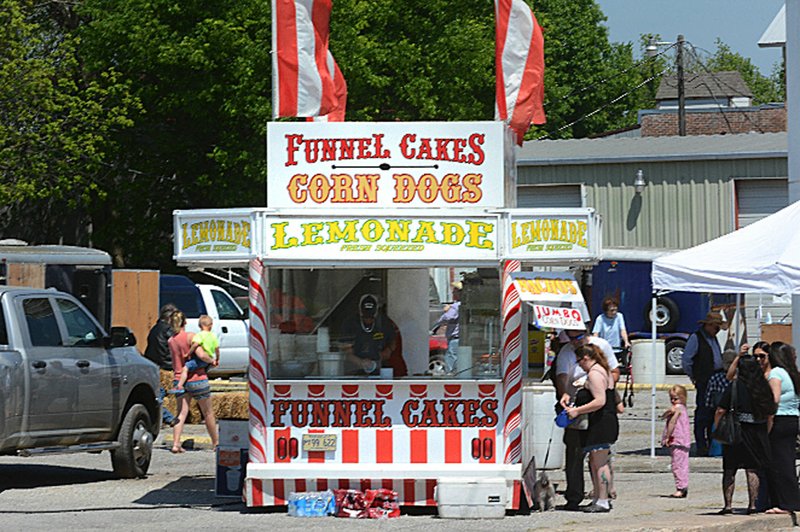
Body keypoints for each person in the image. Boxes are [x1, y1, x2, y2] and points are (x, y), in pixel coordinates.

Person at [555, 327, 620, 511]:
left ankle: (602, 500)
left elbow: (600, 400)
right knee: (597, 461)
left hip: (601, 422)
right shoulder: (601, 370)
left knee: (599, 462)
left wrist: (578, 411)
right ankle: (600, 498)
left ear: (586, 359)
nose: (579, 366)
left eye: (579, 362)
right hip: (603, 421)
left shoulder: (594, 373)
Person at [714, 355, 776, 515]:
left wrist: (718, 426)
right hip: (757, 431)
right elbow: (770, 413)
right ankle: (753, 505)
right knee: (752, 469)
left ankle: (728, 505)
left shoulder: (735, 386)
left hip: (736, 431)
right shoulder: (763, 387)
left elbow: (721, 409)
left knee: (729, 469)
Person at [168, 310, 219, 454]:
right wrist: (213, 361)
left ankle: (176, 444)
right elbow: (201, 355)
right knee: (208, 412)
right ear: (185, 322)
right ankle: (215, 443)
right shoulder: (191, 336)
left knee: (181, 413)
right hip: (197, 378)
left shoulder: (171, 341)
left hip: (179, 379)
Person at [682, 311, 726, 457]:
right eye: (715, 326)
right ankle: (701, 445)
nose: (717, 330)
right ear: (708, 325)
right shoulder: (696, 338)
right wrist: (695, 377)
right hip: (704, 380)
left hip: (716, 378)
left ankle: (712, 443)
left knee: (714, 412)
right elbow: (687, 361)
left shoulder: (713, 338)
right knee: (703, 414)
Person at [765, 341, 800, 515]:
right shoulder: (791, 373)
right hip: (793, 419)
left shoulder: (776, 373)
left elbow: (774, 399)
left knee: (779, 463)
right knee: (788, 461)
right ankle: (792, 500)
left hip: (779, 420)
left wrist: (767, 422)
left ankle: (784, 503)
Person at [342, 294, 395, 376]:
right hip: (353, 369)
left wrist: (386, 352)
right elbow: (345, 350)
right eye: (365, 317)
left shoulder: (384, 323)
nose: (368, 320)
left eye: (371, 317)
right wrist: (360, 362)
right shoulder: (350, 323)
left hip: (379, 367)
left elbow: (393, 342)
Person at [144, 303, 178, 428]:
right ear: (170, 318)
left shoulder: (154, 328)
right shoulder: (168, 330)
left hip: (154, 364)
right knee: (159, 397)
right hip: (165, 366)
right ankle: (169, 418)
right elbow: (172, 350)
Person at [173, 314, 219, 392]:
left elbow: (195, 345)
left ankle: (179, 385)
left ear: (199, 326)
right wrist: (216, 359)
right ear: (211, 325)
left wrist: (188, 353)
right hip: (209, 358)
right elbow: (217, 349)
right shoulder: (213, 336)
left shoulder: (199, 335)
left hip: (200, 359)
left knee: (185, 368)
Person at [661, 385, 690, 498]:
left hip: (677, 440)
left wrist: (667, 436)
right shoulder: (682, 408)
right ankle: (683, 486)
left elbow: (672, 423)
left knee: (677, 465)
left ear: (683, 398)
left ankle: (681, 488)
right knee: (683, 464)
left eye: (676, 398)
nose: (673, 401)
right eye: (671, 398)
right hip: (684, 440)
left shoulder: (677, 409)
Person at [432, 281, 461, 374]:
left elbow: (448, 317)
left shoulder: (455, 306)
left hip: (454, 337)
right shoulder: (459, 305)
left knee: (451, 356)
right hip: (456, 337)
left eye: (454, 292)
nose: (453, 294)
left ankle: (451, 375)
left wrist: (444, 312)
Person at [592, 297, 630, 365]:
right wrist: (596, 345)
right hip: (604, 350)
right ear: (606, 311)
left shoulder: (619, 316)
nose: (614, 312)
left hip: (616, 349)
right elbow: (596, 333)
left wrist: (626, 341)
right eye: (612, 310)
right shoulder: (600, 319)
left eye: (615, 310)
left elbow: (623, 330)